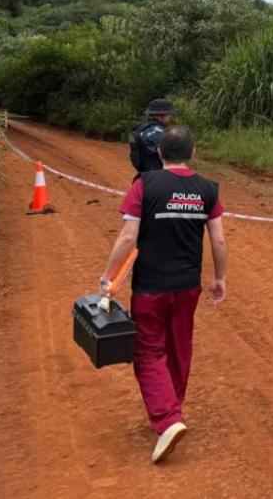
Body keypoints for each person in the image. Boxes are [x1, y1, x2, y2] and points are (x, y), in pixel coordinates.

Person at [98, 124, 228, 463]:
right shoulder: (207, 189)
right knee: (179, 346)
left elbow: (128, 237)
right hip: (187, 287)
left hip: (150, 287)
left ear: (159, 153)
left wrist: (108, 277)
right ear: (193, 153)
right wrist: (220, 278)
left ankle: (168, 419)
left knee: (148, 351)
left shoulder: (144, 184)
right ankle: (173, 406)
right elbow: (218, 239)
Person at [129, 98, 174, 177]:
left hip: (143, 174)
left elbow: (133, 148)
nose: (170, 117)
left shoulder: (137, 128)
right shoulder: (159, 132)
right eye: (169, 114)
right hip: (160, 176)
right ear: (161, 115)